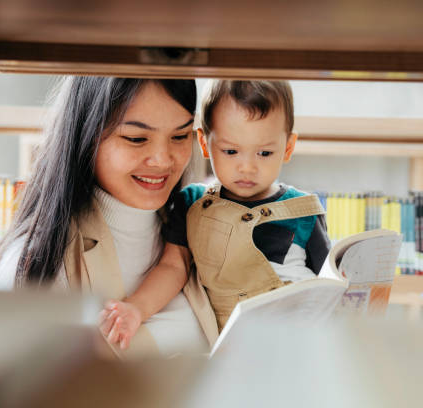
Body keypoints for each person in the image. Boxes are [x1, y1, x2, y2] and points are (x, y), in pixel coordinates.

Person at [101, 80, 330, 350]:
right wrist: (136, 309)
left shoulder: (303, 210)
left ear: (288, 147)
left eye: (265, 153)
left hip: (299, 339)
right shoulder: (192, 204)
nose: (247, 167)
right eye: (231, 151)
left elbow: (331, 283)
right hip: (230, 345)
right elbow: (173, 267)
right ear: (204, 143)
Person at [0, 76, 208, 357]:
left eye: (180, 136)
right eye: (136, 139)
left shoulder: (199, 230)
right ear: (86, 134)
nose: (163, 160)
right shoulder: (37, 267)